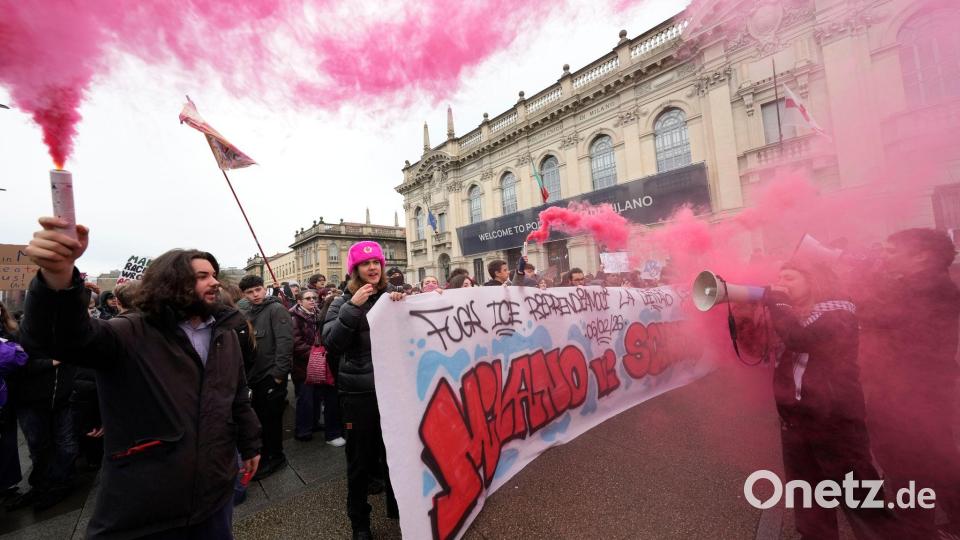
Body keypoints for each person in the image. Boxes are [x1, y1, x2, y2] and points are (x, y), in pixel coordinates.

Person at [19, 217, 261, 538]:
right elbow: (60, 338)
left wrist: (250, 443)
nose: (214, 282)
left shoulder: (224, 333)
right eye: (202, 276)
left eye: (214, 275)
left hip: (214, 496)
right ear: (172, 282)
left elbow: (237, 395)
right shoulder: (130, 331)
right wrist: (57, 277)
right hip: (146, 504)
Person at [764, 260, 898, 539]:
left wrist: (777, 304)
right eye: (779, 277)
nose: (780, 283)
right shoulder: (795, 313)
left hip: (834, 421)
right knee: (808, 496)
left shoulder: (839, 313)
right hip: (796, 419)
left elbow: (800, 338)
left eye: (789, 277)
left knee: (859, 497)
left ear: (813, 280)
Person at [857, 228, 960, 538]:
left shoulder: (926, 290)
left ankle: (917, 531)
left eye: (891, 251)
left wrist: (866, 278)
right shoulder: (925, 286)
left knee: (907, 471)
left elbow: (873, 313)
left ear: (921, 256)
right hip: (915, 393)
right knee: (938, 463)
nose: (883, 256)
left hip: (907, 397)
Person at [322, 241, 404, 540]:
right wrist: (352, 307)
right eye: (365, 264)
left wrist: (412, 303)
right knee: (359, 461)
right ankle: (360, 522)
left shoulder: (392, 297)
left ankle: (399, 509)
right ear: (354, 269)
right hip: (358, 395)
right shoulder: (339, 303)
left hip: (393, 390)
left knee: (395, 453)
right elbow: (331, 342)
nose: (373, 268)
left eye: (377, 263)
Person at [238, 274, 293, 480]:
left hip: (271, 376)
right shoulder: (248, 310)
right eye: (250, 292)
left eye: (258, 290)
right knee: (261, 419)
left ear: (264, 288)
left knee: (271, 421)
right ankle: (267, 455)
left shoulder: (276, 309)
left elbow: (285, 344)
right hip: (255, 376)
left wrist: (278, 376)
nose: (255, 295)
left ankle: (276, 457)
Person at [290, 290, 344, 446]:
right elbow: (296, 343)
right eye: (308, 298)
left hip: (319, 362)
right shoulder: (294, 317)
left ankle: (313, 424)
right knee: (305, 399)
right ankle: (303, 431)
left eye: (314, 298)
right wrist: (316, 354)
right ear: (299, 301)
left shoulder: (318, 314)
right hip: (303, 365)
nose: (312, 300)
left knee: (316, 397)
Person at [0, 303, 25, 501]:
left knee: (8, 440)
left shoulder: (12, 330)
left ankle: (7, 483)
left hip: (9, 395)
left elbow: (21, 359)